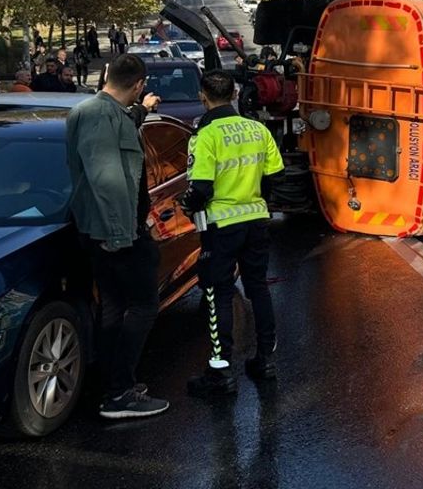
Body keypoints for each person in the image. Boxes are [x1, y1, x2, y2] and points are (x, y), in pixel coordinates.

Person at [65, 54, 169, 419]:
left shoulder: (107, 113)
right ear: (139, 84)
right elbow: (106, 180)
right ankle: (120, 393)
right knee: (143, 307)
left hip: (111, 231)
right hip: (115, 233)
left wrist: (142, 110)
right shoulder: (97, 116)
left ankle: (111, 382)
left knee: (114, 309)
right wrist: (121, 235)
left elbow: (121, 132)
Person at [181, 69, 283, 397]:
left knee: (218, 295)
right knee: (258, 289)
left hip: (221, 226)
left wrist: (188, 206)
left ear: (203, 96)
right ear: (236, 94)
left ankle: (221, 372)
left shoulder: (205, 136)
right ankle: (265, 360)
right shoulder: (257, 129)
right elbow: (272, 177)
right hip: (256, 220)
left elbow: (200, 188)